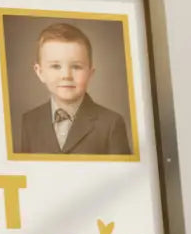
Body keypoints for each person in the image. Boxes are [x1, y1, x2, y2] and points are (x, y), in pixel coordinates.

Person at [17, 22, 131, 156]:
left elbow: (122, 175)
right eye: (55, 66)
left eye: (76, 67)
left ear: (90, 73)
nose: (66, 75)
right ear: (40, 72)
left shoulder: (111, 123)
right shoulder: (30, 121)